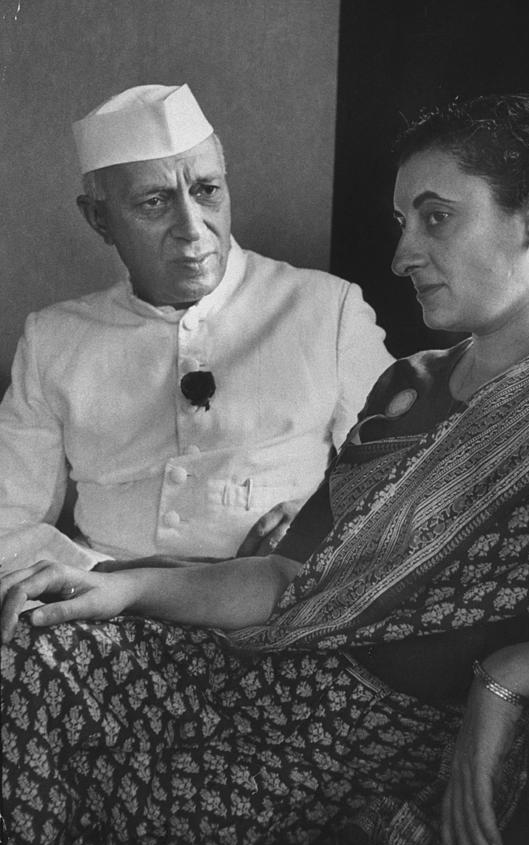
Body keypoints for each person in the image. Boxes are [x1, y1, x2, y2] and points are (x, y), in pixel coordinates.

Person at [1, 93, 529, 845]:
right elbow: (286, 580)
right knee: (34, 650)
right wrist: (123, 588)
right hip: (267, 681)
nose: (401, 255)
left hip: (367, 748)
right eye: (402, 223)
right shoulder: (407, 384)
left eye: (435, 219)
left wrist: (511, 676)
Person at [0, 84, 392, 570]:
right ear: (99, 219)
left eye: (206, 191)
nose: (191, 226)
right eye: (154, 203)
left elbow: (404, 476)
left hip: (269, 600)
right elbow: (6, 521)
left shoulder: (326, 309)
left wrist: (324, 524)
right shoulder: (53, 340)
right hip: (106, 604)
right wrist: (100, 578)